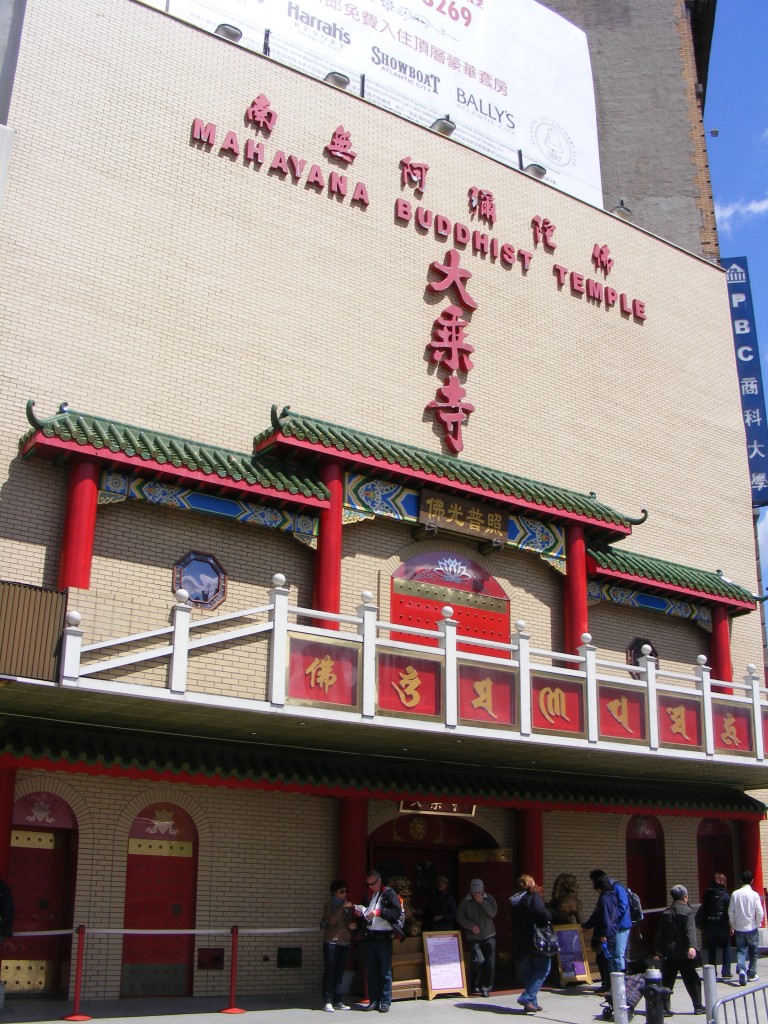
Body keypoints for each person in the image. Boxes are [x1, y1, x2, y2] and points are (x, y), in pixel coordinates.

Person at [356, 870, 404, 1014]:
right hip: (371, 935)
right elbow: (367, 913)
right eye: (369, 884)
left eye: (373, 883)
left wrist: (379, 912)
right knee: (371, 970)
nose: (371, 886)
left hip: (383, 937)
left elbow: (396, 913)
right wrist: (361, 914)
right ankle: (373, 1000)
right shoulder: (370, 895)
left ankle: (385, 1001)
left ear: (380, 879)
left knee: (384, 970)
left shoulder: (389, 893)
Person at [654, 885, 705, 1016]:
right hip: (684, 953)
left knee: (667, 981)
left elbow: (660, 934)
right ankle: (698, 1006)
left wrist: (657, 951)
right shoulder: (688, 912)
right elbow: (690, 931)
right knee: (692, 980)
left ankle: (665, 1009)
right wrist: (692, 947)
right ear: (685, 897)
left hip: (668, 953)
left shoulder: (665, 912)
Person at [510, 873, 554, 1013]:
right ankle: (527, 997)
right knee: (543, 968)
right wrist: (550, 915)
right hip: (537, 939)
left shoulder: (515, 900)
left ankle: (532, 1002)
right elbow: (540, 912)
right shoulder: (533, 896)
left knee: (530, 971)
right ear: (531, 883)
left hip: (522, 940)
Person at [584, 871, 631, 993]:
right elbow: (597, 914)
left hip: (611, 930)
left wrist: (606, 931)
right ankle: (608, 984)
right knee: (604, 958)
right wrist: (588, 925)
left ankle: (615, 984)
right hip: (611, 929)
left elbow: (606, 916)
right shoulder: (607, 896)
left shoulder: (607, 896)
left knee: (613, 957)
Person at [455, 878, 497, 997]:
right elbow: (460, 917)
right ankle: (475, 982)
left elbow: (493, 913)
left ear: (483, 890)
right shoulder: (465, 901)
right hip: (473, 936)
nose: (476, 894)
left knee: (489, 963)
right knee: (478, 960)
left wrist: (481, 902)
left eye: (478, 892)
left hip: (489, 934)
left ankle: (486, 987)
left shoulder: (489, 899)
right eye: (474, 892)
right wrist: (470, 926)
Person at [321, 878, 356, 1012]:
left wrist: (354, 925)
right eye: (342, 892)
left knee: (340, 972)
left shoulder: (347, 907)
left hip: (344, 941)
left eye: (346, 892)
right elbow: (332, 920)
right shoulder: (330, 905)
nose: (345, 894)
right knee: (329, 971)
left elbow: (351, 922)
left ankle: (338, 1000)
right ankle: (326, 1000)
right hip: (332, 941)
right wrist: (342, 907)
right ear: (334, 893)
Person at [728, 869, 763, 985]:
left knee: (740, 950)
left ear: (740, 880)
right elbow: (759, 911)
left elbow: (730, 911)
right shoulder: (754, 895)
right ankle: (752, 973)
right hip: (751, 926)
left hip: (739, 927)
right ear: (752, 881)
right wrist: (757, 923)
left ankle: (742, 969)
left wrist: (732, 924)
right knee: (753, 951)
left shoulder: (735, 894)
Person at [695, 872, 731, 980]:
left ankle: (712, 971)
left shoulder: (707, 894)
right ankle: (726, 970)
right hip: (722, 925)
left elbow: (704, 910)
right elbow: (728, 912)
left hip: (710, 925)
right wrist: (730, 925)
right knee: (726, 945)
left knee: (711, 948)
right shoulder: (726, 896)